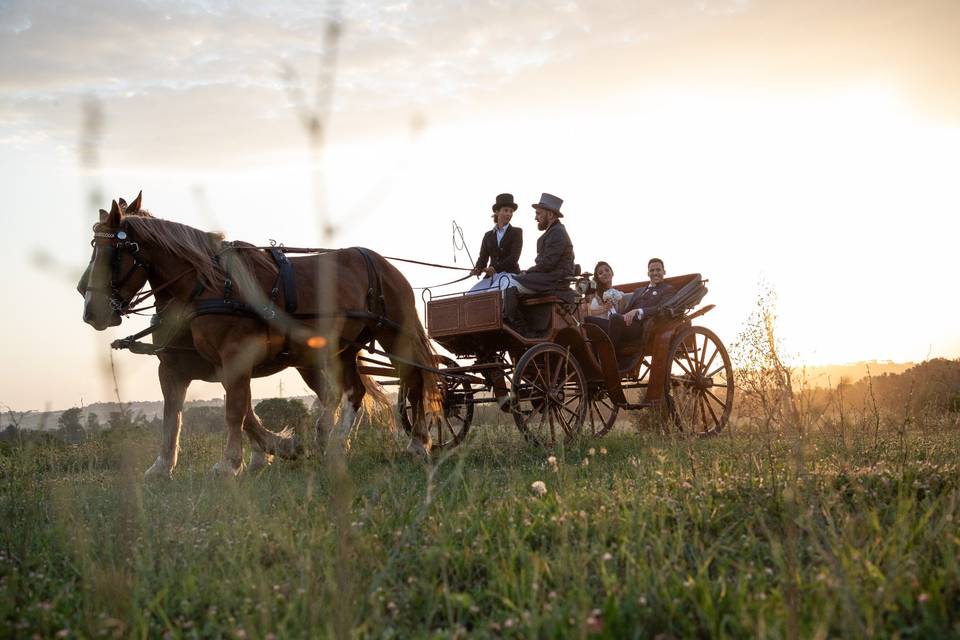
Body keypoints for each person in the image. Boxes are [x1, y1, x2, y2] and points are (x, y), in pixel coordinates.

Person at [500, 193, 575, 330]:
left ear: (550, 215)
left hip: (555, 280)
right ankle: (514, 320)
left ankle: (517, 326)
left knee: (510, 282)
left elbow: (548, 263)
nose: (536, 218)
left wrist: (527, 272)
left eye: (539, 214)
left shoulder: (557, 232)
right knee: (510, 281)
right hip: (549, 277)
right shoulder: (553, 232)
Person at [584, 257, 675, 359]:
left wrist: (638, 310)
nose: (655, 273)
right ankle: (591, 357)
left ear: (664, 272)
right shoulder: (639, 291)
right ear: (648, 273)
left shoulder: (668, 289)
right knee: (588, 320)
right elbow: (625, 307)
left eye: (658, 270)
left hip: (641, 327)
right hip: (624, 322)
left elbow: (660, 308)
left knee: (615, 318)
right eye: (652, 270)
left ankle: (609, 358)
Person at [468, 193, 523, 293]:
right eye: (505, 210)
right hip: (492, 277)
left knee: (491, 295)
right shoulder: (488, 235)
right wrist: (478, 269)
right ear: (497, 212)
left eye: (511, 211)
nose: (509, 214)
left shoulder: (517, 232)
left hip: (509, 274)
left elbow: (514, 257)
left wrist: (495, 268)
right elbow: (482, 258)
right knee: (471, 295)